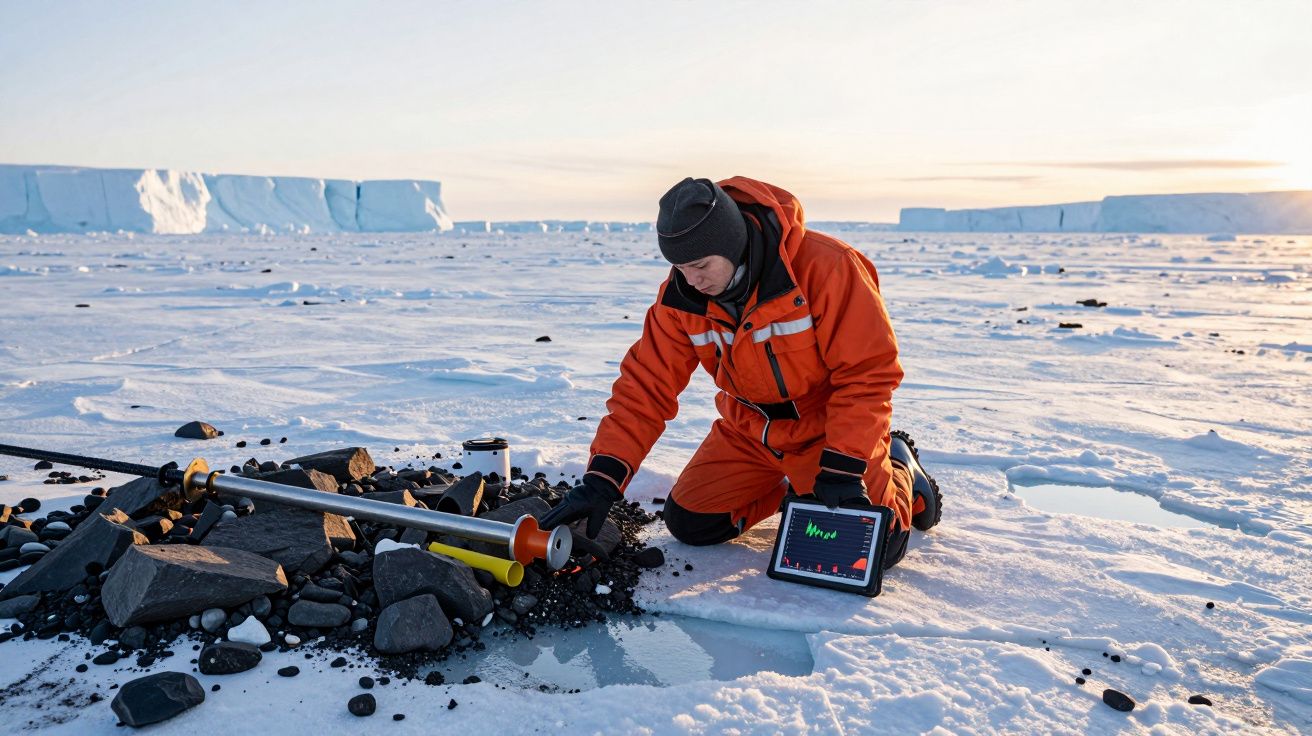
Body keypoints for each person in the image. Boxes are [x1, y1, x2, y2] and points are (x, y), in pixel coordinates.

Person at [541, 176, 940, 571]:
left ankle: (901, 470)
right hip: (750, 432)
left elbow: (867, 376)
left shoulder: (829, 268)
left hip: (827, 434)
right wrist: (603, 478)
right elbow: (645, 386)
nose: (691, 280)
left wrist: (845, 465)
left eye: (699, 265)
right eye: (678, 267)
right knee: (691, 523)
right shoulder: (681, 297)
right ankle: (791, 488)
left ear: (732, 243)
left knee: (875, 548)